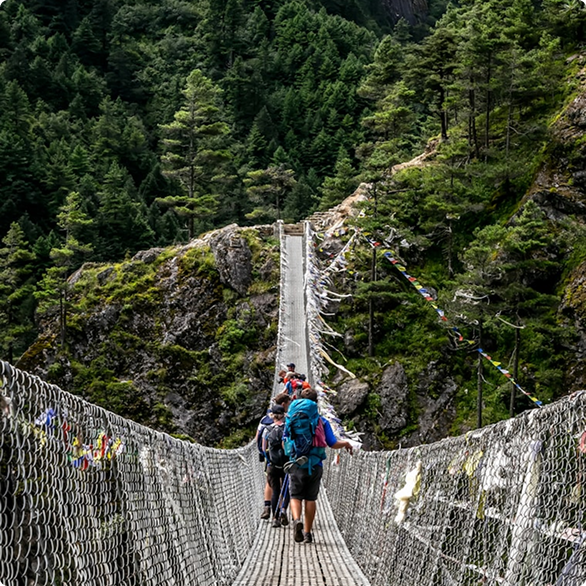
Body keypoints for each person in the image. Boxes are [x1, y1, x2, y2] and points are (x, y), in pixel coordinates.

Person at [285, 388, 353, 544]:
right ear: (316, 403)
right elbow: (332, 443)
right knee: (310, 498)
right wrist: (346, 443)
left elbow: (286, 441)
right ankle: (308, 533)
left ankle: (296, 521)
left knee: (295, 496)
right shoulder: (322, 421)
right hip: (315, 465)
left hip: (296, 464)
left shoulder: (292, 418)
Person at [262, 404, 290, 528]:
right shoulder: (287, 428)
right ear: (284, 415)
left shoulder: (267, 429)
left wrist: (268, 460)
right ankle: (283, 509)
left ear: (272, 415)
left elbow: (263, 448)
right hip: (287, 464)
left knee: (275, 491)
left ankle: (275, 518)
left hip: (273, 465)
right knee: (286, 489)